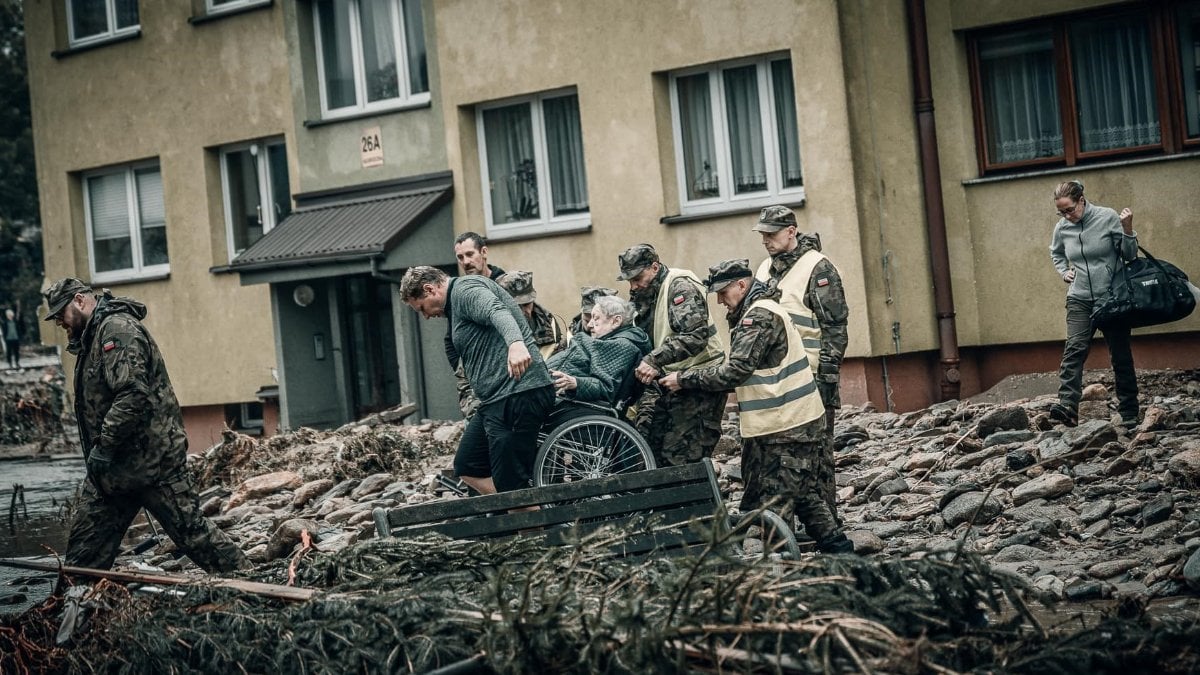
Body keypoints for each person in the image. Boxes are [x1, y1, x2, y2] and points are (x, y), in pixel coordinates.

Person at [42, 278, 248, 572]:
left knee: (193, 534)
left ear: (79, 300)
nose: (60, 322)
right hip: (113, 474)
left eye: (61, 313)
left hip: (153, 464)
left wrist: (105, 446)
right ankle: (71, 611)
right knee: (84, 554)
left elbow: (133, 393)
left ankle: (252, 582)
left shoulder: (117, 330)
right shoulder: (92, 337)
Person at [659, 259, 852, 553]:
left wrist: (684, 379)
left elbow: (735, 371)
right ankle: (842, 552)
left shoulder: (758, 316)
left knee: (777, 503)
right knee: (804, 494)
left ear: (741, 285)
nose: (721, 301)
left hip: (787, 423)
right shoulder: (757, 310)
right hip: (784, 423)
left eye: (724, 293)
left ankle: (781, 571)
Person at [400, 266, 554, 494]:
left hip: (517, 393)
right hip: (495, 401)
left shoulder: (466, 290)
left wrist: (515, 343)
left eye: (421, 308)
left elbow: (496, 310)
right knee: (467, 465)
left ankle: (534, 522)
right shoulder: (454, 305)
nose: (426, 316)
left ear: (429, 289)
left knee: (512, 485)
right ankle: (514, 512)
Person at [752, 205, 848, 520]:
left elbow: (835, 328)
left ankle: (826, 523)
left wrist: (827, 378)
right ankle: (789, 522)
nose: (766, 239)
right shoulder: (764, 269)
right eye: (763, 234)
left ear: (791, 231)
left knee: (818, 456)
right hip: (778, 380)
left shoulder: (818, 268)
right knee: (782, 455)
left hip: (813, 376)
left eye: (772, 233)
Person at [617, 243, 726, 467]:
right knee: (655, 451)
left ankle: (699, 502)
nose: (633, 285)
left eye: (637, 278)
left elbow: (695, 335)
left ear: (654, 267)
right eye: (629, 280)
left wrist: (654, 360)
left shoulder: (679, 287)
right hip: (671, 382)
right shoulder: (645, 292)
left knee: (685, 456)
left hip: (700, 382)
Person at [1048, 180, 1140, 428]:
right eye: (1061, 212)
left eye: (1070, 209)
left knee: (1120, 354)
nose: (1067, 216)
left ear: (1081, 200)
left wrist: (1127, 229)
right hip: (1079, 297)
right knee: (1074, 349)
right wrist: (1063, 271)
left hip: (1111, 297)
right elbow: (1056, 252)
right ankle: (1067, 406)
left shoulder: (1106, 217)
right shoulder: (1062, 227)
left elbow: (1129, 255)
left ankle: (1130, 410)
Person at [547, 295, 651, 406]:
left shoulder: (620, 345)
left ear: (616, 321)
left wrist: (576, 382)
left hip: (563, 400)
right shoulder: (614, 341)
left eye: (596, 318)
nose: (589, 325)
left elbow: (606, 388)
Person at [449, 231, 505, 419]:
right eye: (460, 257)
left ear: (484, 252)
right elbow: (451, 339)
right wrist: (465, 371)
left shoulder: (506, 285)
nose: (465, 262)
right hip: (475, 385)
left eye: (470, 254)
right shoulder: (461, 293)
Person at [496, 270, 570, 360]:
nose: (524, 311)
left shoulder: (547, 321)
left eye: (527, 304)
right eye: (517, 306)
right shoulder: (494, 326)